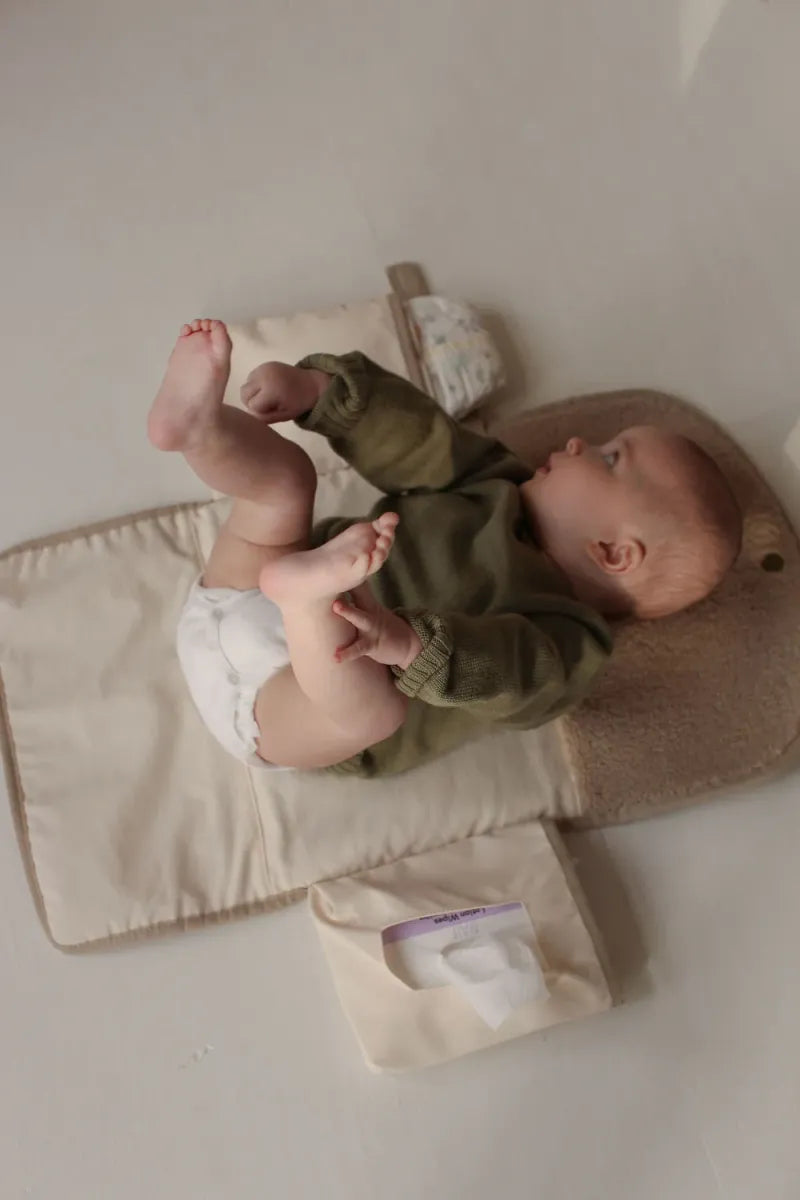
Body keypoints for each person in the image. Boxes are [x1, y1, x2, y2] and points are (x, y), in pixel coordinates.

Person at [148, 318, 741, 776]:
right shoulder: (497, 482)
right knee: (285, 485)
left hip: (292, 708)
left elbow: (514, 675)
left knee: (377, 711)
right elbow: (420, 440)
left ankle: (311, 606)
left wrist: (410, 646)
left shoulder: (571, 641)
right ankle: (199, 430)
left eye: (610, 458)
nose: (579, 442)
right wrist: (320, 392)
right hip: (251, 589)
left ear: (614, 552)